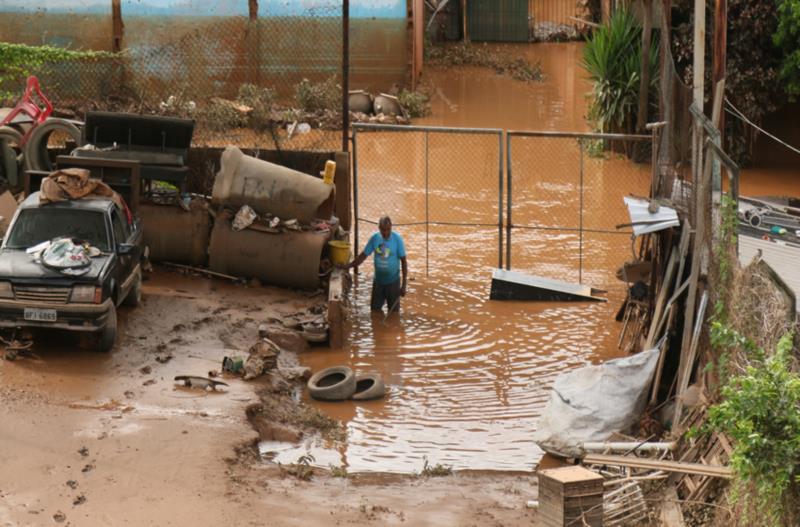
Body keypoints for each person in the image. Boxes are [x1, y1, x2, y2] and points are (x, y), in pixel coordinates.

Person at [343, 215, 407, 312]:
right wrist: (349, 266)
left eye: (388, 229)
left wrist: (404, 285)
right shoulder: (375, 238)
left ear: (391, 227)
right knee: (374, 311)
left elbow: (404, 261)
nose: (385, 233)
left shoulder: (397, 239)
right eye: (383, 230)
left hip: (393, 283)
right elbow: (363, 256)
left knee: (394, 314)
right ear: (379, 228)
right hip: (378, 282)